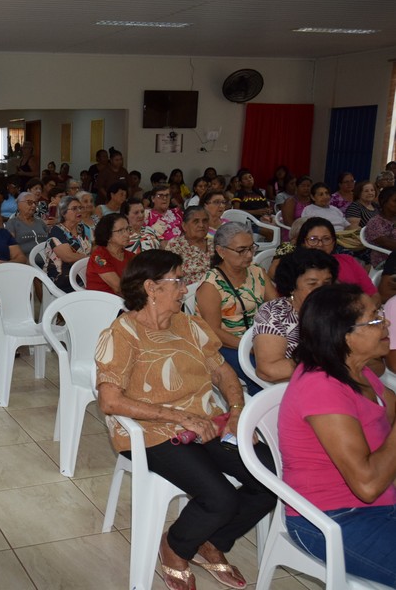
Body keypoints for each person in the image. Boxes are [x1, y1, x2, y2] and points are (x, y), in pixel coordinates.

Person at [96, 249, 276, 590]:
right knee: (220, 498)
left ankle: (212, 542)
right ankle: (176, 546)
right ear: (151, 287)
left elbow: (224, 374)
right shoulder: (122, 334)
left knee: (271, 477)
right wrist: (178, 416)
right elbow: (110, 400)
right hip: (152, 432)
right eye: (177, 281)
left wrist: (237, 413)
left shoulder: (190, 325)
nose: (184, 289)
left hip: (204, 424)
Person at [279, 284, 396, 587]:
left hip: (381, 504)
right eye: (374, 319)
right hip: (334, 520)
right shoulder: (323, 386)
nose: (387, 323)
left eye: (381, 314)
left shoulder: (356, 370)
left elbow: (391, 411)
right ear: (344, 334)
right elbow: (367, 485)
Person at [196, 222, 277, 395]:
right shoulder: (211, 285)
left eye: (251, 248)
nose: (249, 255)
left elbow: (276, 308)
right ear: (221, 251)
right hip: (228, 344)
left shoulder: (257, 272)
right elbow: (214, 332)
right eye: (241, 250)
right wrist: (251, 347)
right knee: (263, 372)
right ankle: (261, 413)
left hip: (260, 338)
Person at [253, 248, 338, 383]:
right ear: (292, 285)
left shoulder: (338, 307)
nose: (322, 290)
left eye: (327, 283)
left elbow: (374, 362)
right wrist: (329, 362)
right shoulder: (275, 313)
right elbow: (268, 370)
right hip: (301, 386)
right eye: (312, 284)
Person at [269, 217, 378, 301]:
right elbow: (285, 301)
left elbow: (373, 295)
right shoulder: (292, 266)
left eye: (326, 239)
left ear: (334, 242)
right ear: (302, 242)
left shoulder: (347, 261)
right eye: (313, 239)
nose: (320, 244)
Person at [43, 195, 92, 292]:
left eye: (80, 208)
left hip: (85, 275)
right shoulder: (56, 231)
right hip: (62, 279)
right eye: (74, 208)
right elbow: (68, 257)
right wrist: (91, 258)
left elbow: (97, 248)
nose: (79, 211)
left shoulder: (84, 228)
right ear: (63, 213)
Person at [86, 213, 133, 295]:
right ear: (107, 235)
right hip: (103, 303)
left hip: (122, 300)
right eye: (121, 231)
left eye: (127, 229)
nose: (127, 234)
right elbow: (119, 288)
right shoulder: (99, 257)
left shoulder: (130, 256)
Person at [167, 206, 213, 285]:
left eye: (205, 221)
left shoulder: (214, 244)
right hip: (188, 293)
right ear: (184, 226)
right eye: (196, 221)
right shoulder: (176, 245)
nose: (201, 225)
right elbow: (170, 276)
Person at [4, 191, 49, 257]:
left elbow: (50, 240)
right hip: (25, 263)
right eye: (29, 202)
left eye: (35, 203)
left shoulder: (41, 222)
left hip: (47, 261)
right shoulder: (12, 223)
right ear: (19, 205)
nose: (33, 205)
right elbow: (10, 247)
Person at [364, 187, 396, 268]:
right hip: (385, 261)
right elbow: (387, 243)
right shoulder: (375, 222)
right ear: (383, 201)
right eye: (395, 201)